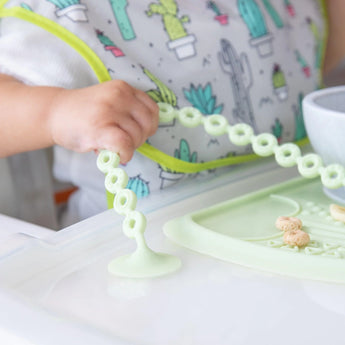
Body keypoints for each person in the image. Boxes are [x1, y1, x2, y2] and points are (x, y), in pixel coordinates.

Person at [0, 0, 341, 227]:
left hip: (299, 231)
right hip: (127, 263)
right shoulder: (66, 12)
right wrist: (55, 112)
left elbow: (317, 55)